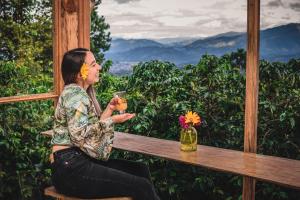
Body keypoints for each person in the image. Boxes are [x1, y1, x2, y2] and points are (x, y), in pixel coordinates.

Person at [50, 48, 160, 200]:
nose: (99, 67)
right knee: (141, 186)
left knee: (140, 169)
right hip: (71, 169)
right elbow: (79, 135)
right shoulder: (75, 95)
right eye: (94, 64)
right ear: (79, 72)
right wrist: (113, 120)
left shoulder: (77, 93)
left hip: (74, 162)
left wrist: (109, 109)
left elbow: (89, 130)